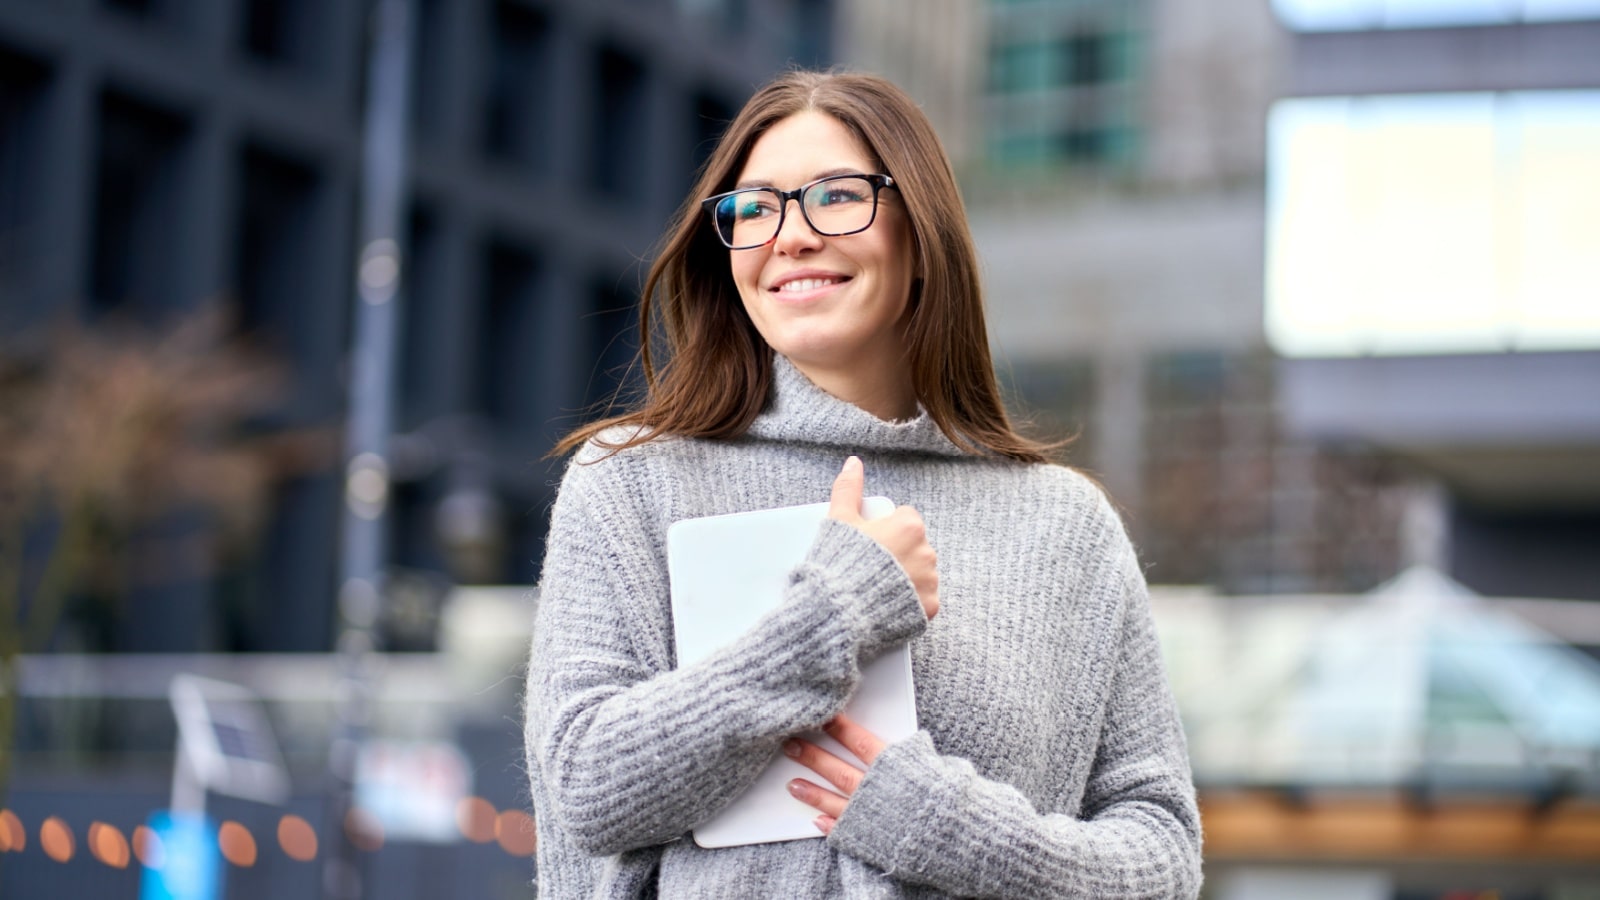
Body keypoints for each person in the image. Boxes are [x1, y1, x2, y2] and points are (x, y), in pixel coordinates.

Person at [523, 70, 1202, 898]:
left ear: (920, 235)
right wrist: (835, 613)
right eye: (756, 208)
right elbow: (587, 790)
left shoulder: (1065, 524)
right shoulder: (630, 484)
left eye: (838, 197)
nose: (792, 237)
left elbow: (1161, 858)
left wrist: (943, 826)